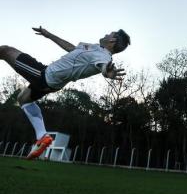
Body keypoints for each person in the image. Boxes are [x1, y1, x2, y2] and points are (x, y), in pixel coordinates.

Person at [0, 26, 130, 159]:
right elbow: (72, 48)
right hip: (51, 81)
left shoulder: (103, 56)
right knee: (23, 99)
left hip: (44, 76)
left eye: (110, 33)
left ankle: (42, 136)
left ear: (112, 40)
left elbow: (103, 66)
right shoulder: (95, 47)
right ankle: (42, 136)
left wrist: (107, 72)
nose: (106, 33)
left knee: (5, 50)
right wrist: (49, 35)